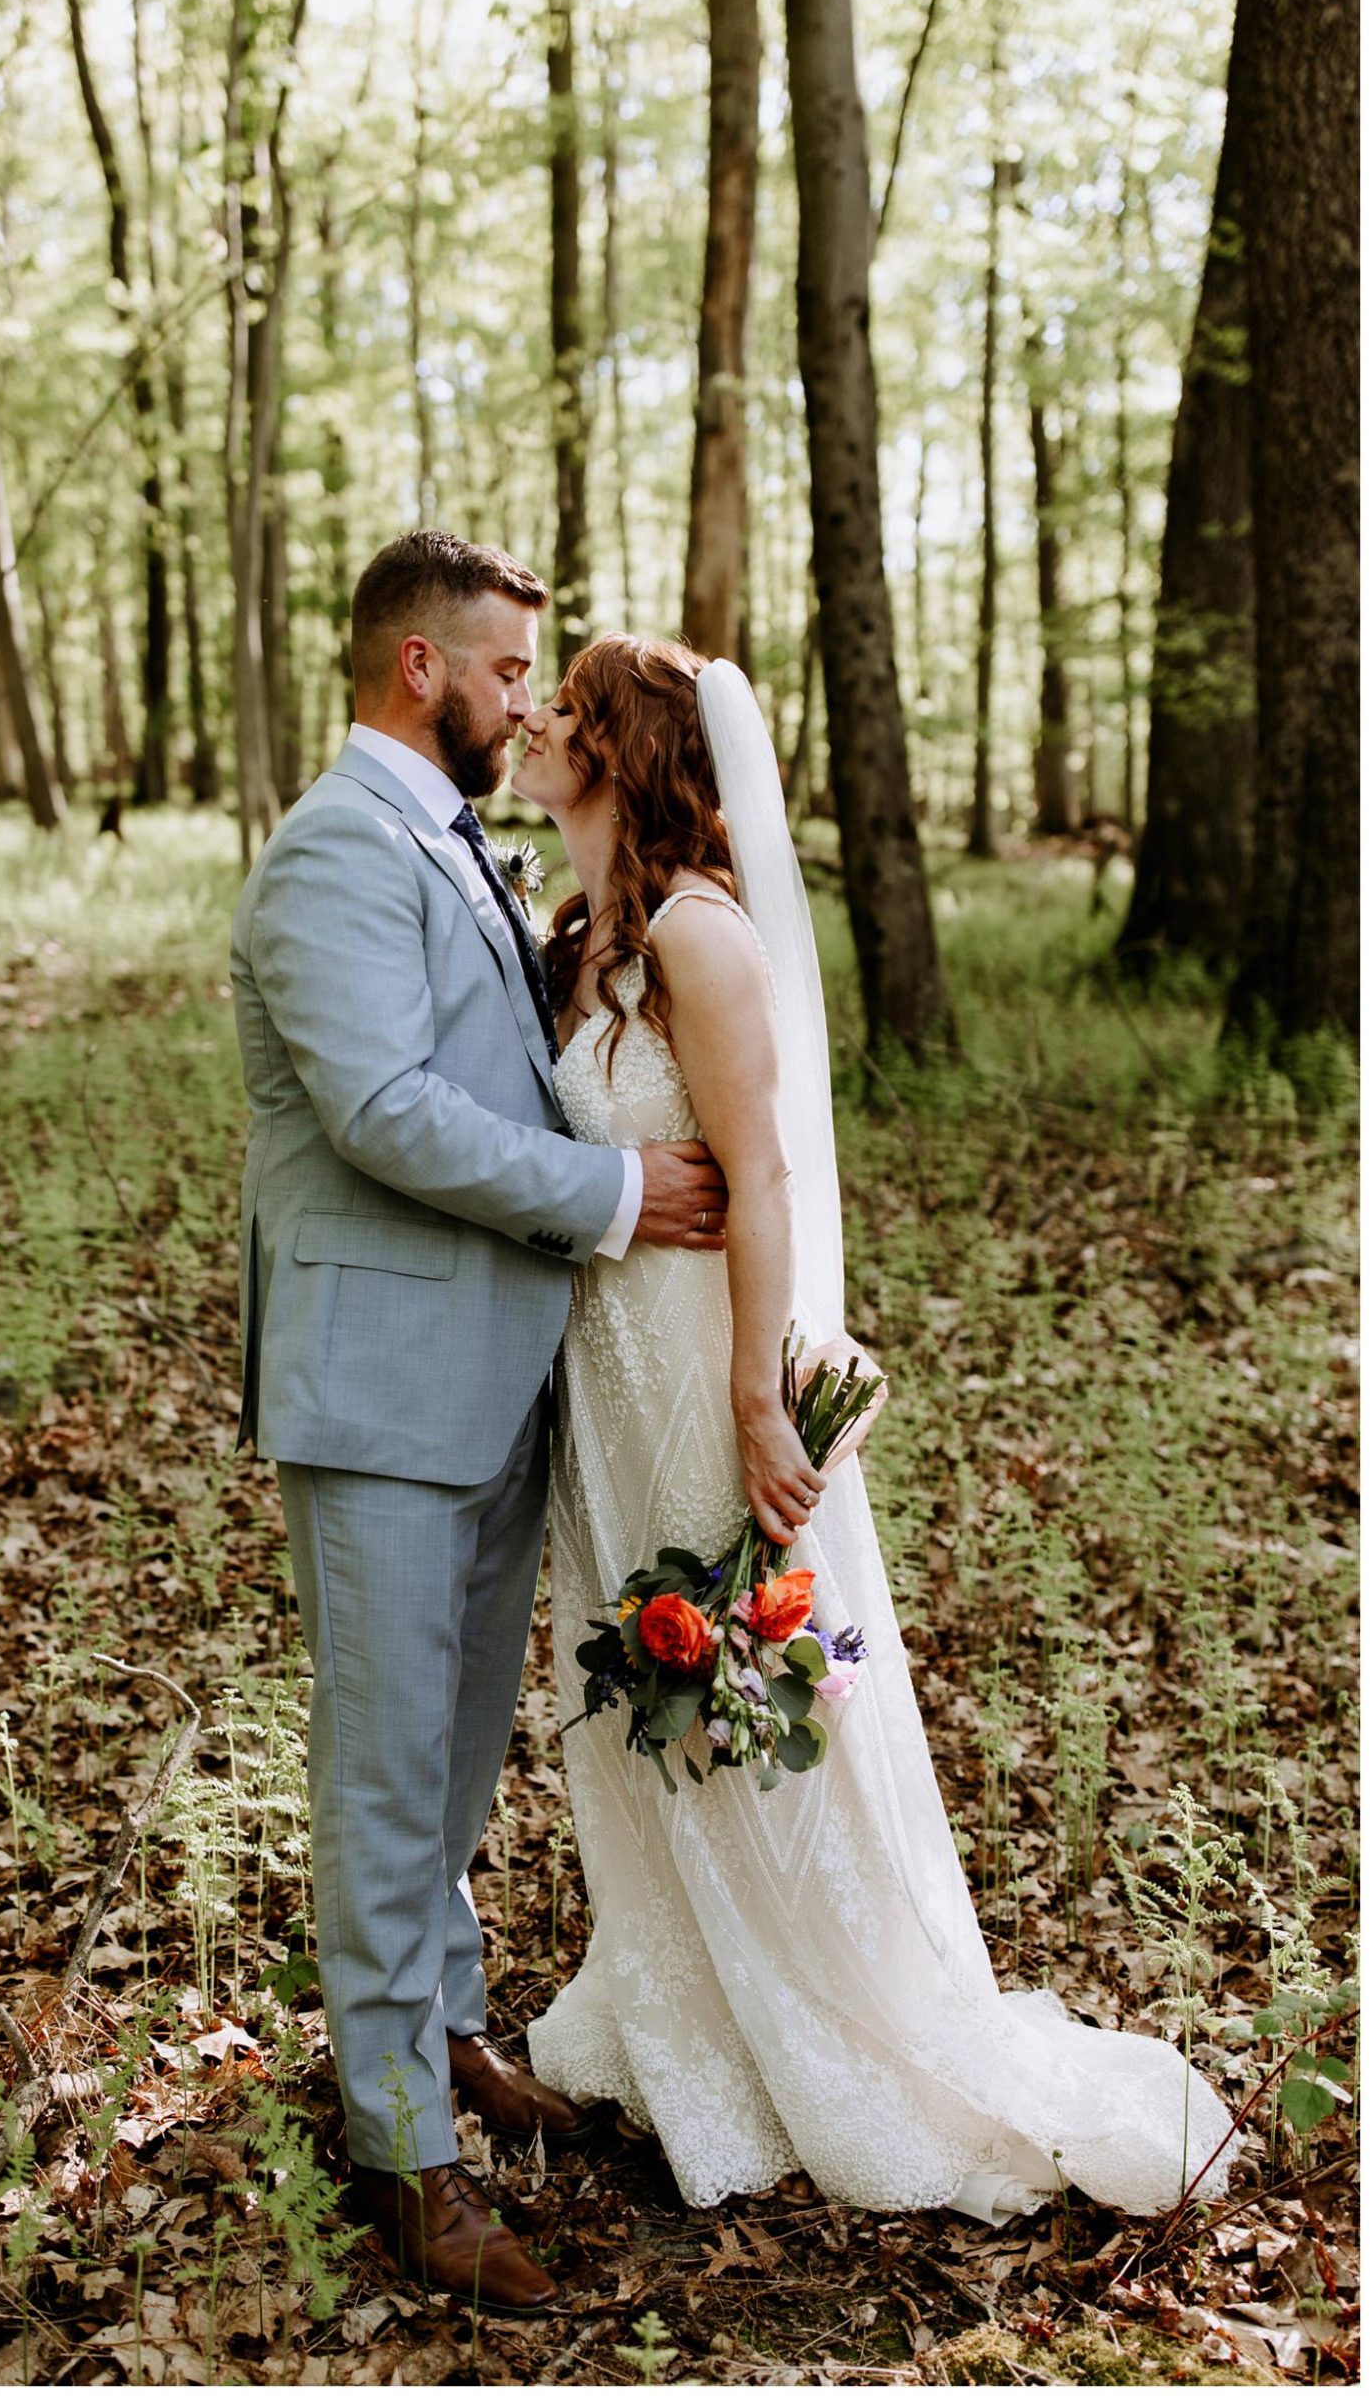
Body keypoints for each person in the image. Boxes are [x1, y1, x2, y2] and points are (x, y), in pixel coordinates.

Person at [515, 635, 1238, 2222]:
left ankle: (830, 2018)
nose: (524, 721)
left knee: (753, 1684)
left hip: (704, 1372)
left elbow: (765, 1177)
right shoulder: (582, 944)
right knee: (636, 1677)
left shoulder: (701, 938)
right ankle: (682, 2001)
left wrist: (757, 1395)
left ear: (621, 755)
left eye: (557, 710)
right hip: (606, 1381)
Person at [228, 535, 747, 2312]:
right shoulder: (326, 857)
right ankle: (399, 2156)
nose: (531, 704)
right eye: (509, 673)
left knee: (448, 1771)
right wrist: (610, 1193)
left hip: (486, 1381)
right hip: (379, 1391)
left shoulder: (447, 839)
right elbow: (381, 1110)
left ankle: (438, 2033)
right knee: (383, 1778)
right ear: (419, 673)